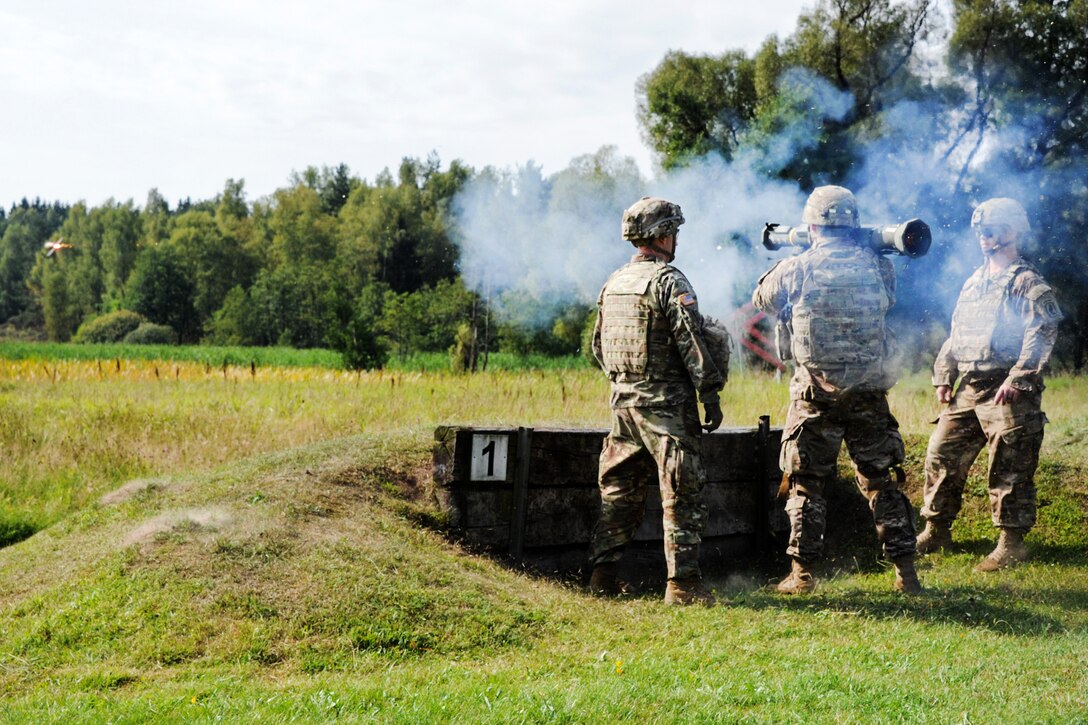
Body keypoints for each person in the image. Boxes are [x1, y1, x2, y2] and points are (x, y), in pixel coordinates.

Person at [752, 185, 920, 594]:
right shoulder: (880, 267)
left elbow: (762, 298)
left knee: (806, 482)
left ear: (811, 223)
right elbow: (889, 302)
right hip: (869, 393)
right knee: (882, 480)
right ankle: (906, 574)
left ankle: (803, 575)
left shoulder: (798, 267)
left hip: (814, 396)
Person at [588, 196, 729, 606]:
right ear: (662, 235)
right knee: (682, 492)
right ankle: (682, 586)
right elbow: (693, 343)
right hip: (666, 408)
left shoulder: (613, 283)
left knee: (618, 494)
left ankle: (603, 576)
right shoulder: (669, 281)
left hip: (623, 406)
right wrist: (710, 394)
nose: (677, 239)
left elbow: (599, 347)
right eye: (675, 232)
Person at [917, 197, 1062, 571]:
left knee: (1010, 466)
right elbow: (958, 332)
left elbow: (1042, 329)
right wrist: (943, 374)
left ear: (1013, 231)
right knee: (940, 453)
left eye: (992, 230)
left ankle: (1010, 544)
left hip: (1007, 388)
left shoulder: (1027, 281)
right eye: (981, 230)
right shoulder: (974, 282)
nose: (984, 236)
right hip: (970, 385)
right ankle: (936, 529)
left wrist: (1020, 376)